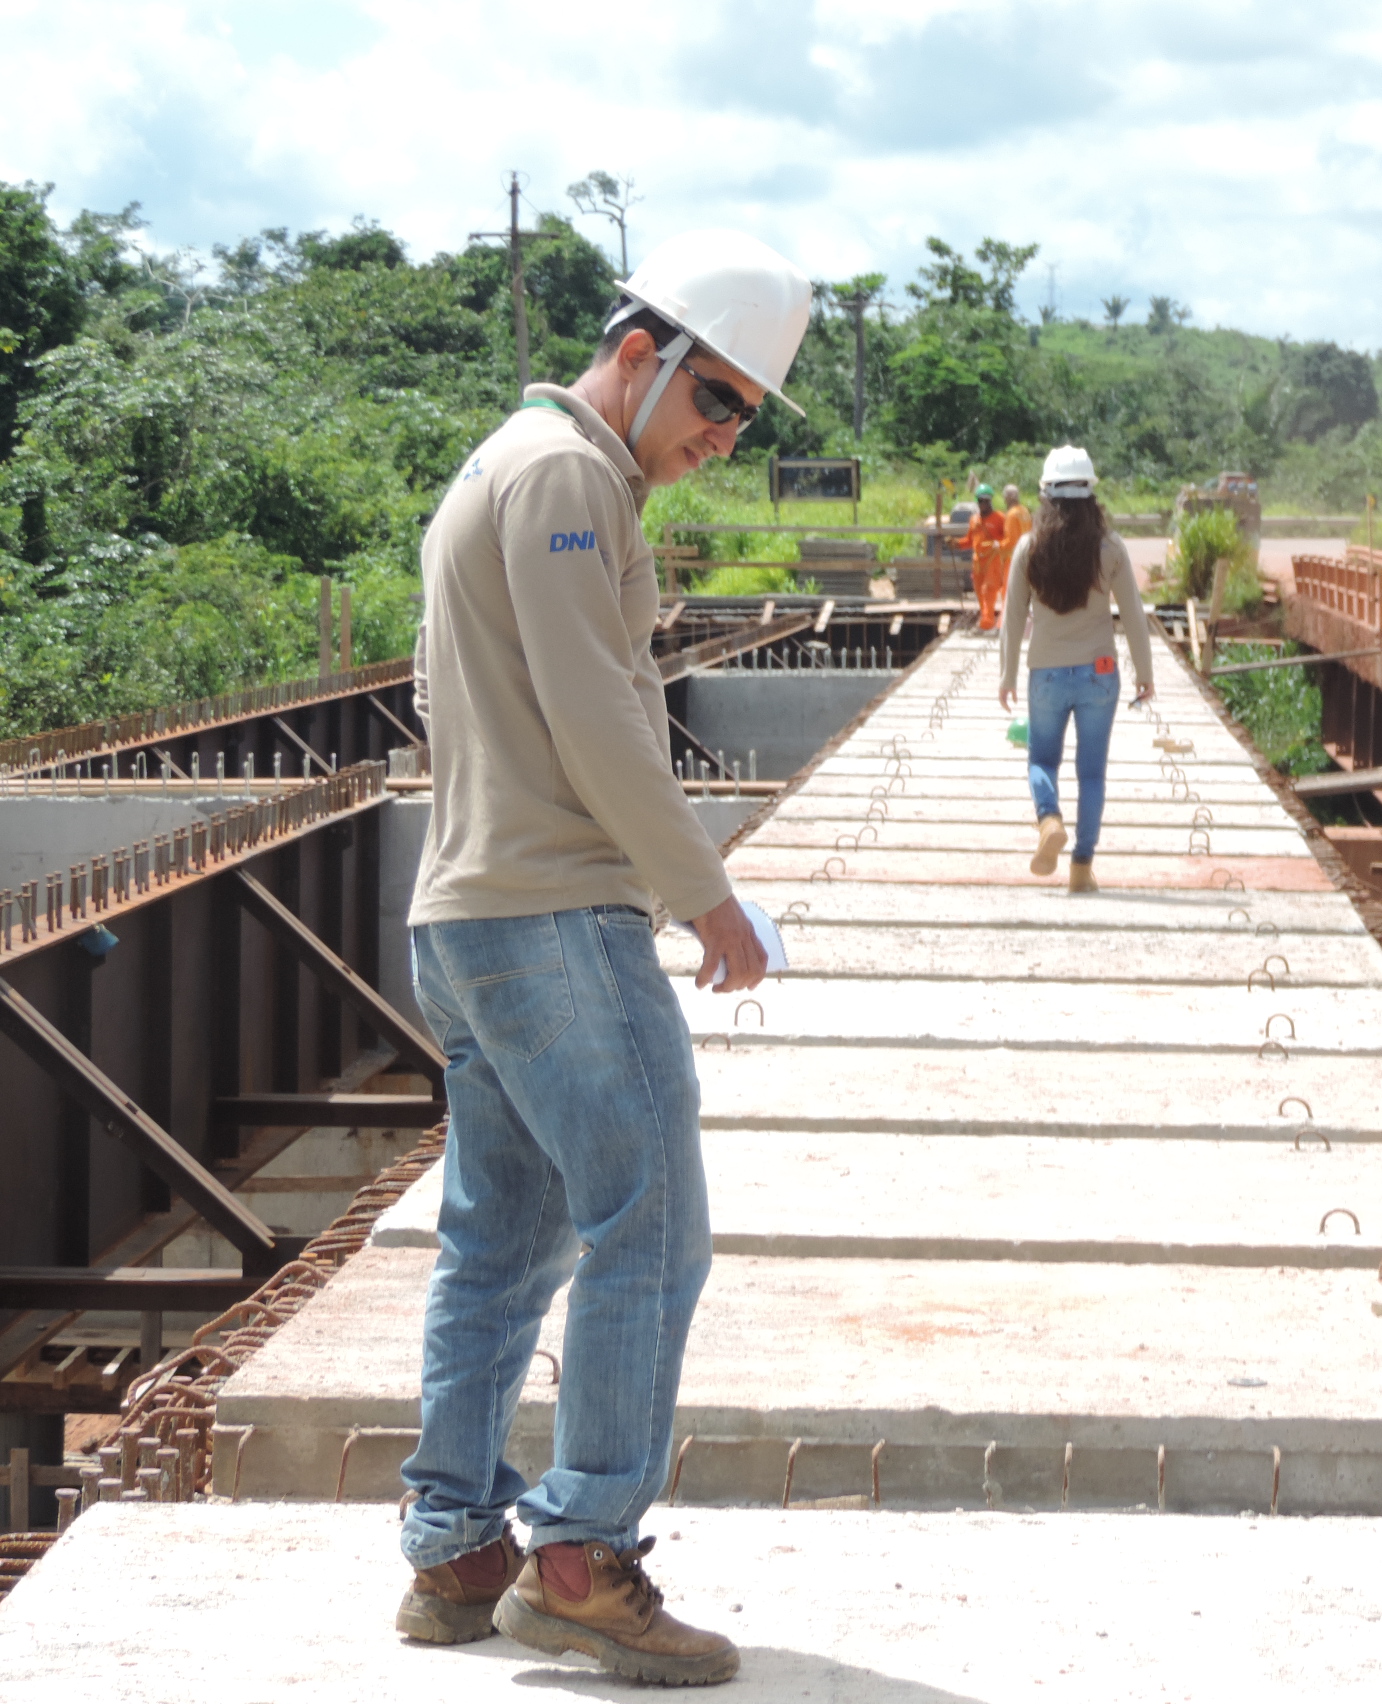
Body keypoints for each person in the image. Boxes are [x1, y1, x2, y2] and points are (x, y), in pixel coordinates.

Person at [396, 228, 807, 1688]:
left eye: (746, 418)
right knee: (652, 1223)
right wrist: (706, 898)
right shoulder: (570, 477)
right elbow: (597, 716)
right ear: (641, 353)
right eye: (716, 400)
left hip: (465, 917)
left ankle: (456, 1548)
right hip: (554, 918)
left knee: (501, 1244)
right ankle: (580, 1558)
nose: (723, 437)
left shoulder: (502, 465)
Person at [997, 445, 1154, 892]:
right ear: (1091, 496)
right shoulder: (1110, 547)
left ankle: (1049, 820)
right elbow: (1134, 614)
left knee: (1042, 759)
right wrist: (1144, 673)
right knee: (1092, 773)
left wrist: (1007, 674)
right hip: (1099, 675)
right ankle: (1081, 868)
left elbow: (1012, 617)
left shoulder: (1028, 548)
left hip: (1045, 674)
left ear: (1045, 495)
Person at [966, 483, 1011, 630]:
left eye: (986, 501)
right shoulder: (974, 520)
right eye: (980, 501)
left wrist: (1000, 545)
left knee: (988, 589)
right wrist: (956, 544)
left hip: (993, 559)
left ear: (990, 501)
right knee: (979, 590)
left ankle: (987, 620)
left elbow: (1008, 538)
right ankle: (985, 617)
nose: (983, 504)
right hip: (978, 561)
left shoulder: (1000, 518)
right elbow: (969, 540)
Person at [1000, 482, 1032, 559]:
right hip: (1027, 552)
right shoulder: (1025, 511)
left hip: (1014, 556)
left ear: (1008, 498)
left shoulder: (1012, 514)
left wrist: (998, 545)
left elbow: (1011, 541)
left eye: (1004, 496)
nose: (1004, 499)